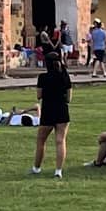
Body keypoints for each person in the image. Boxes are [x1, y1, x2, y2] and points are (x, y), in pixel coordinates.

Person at [31, 49, 72, 178]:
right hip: (62, 110)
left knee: (41, 140)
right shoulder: (64, 76)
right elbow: (69, 98)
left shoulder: (43, 77)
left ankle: (36, 167)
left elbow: (39, 96)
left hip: (48, 110)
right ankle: (58, 171)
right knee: (60, 140)